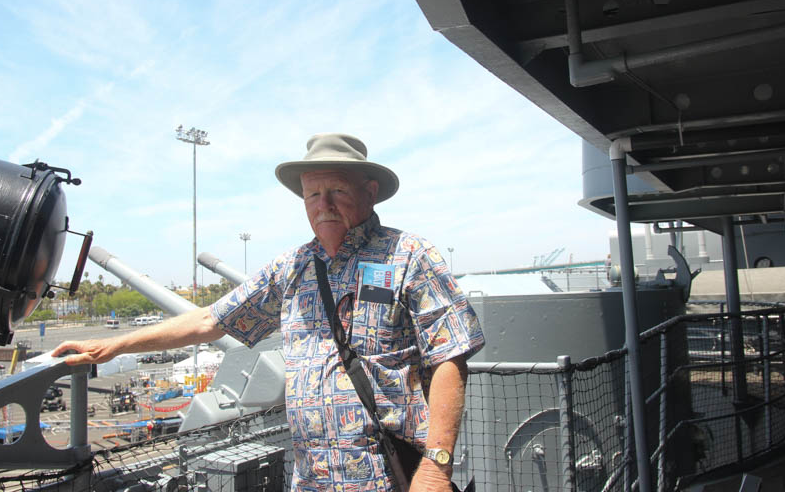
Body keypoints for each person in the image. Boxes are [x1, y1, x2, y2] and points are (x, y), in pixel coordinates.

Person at [55, 133, 485, 491]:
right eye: (313, 193)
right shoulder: (294, 266)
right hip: (312, 480)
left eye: (336, 190)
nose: (323, 204)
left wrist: (436, 465)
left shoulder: (408, 255)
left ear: (369, 192)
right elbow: (210, 320)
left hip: (392, 476)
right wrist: (110, 346)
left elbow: (449, 357)